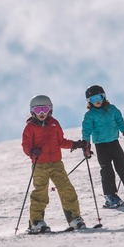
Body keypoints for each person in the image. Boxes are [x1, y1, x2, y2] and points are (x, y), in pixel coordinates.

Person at [22, 94, 88, 233]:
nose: (42, 113)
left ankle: (74, 218)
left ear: (50, 110)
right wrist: (32, 151)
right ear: (32, 111)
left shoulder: (54, 124)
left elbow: (61, 142)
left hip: (56, 163)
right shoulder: (30, 127)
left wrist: (75, 144)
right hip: (39, 164)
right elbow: (26, 145)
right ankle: (36, 221)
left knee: (67, 189)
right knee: (40, 192)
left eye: (45, 109)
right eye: (38, 109)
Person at [81, 84, 124, 208]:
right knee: (107, 171)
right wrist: (86, 146)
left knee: (123, 167)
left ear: (103, 96)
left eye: (99, 97)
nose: (97, 101)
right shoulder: (90, 115)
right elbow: (86, 131)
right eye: (93, 99)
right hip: (101, 146)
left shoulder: (112, 109)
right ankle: (110, 196)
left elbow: (120, 123)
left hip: (114, 143)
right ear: (89, 101)